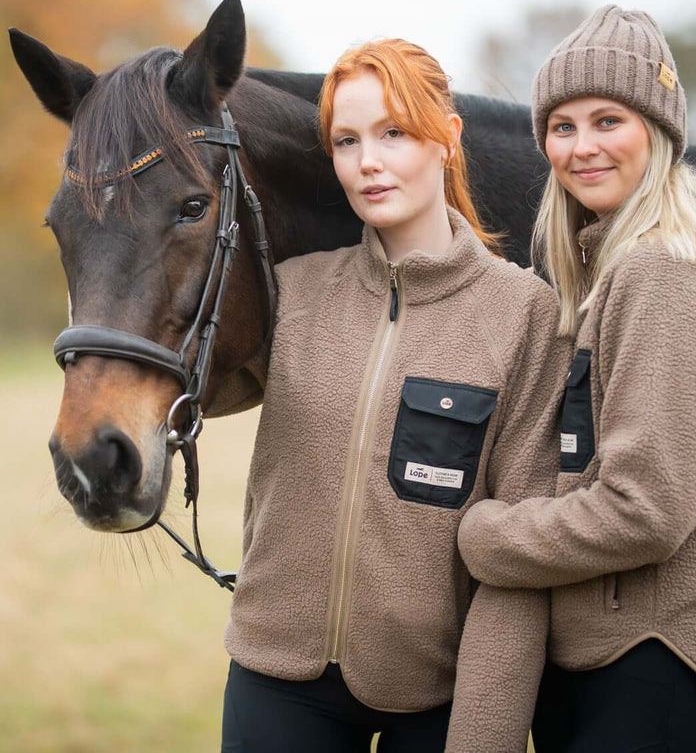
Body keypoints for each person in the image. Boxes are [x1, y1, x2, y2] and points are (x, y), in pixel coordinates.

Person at [220, 38, 568, 753]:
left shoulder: (525, 313)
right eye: (346, 141)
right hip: (276, 677)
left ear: (447, 136)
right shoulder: (294, 289)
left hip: (437, 698)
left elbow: (524, 546)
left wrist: (486, 732)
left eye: (393, 133)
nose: (367, 161)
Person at [456, 5, 696, 753]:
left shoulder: (661, 272)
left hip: (655, 669)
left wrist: (487, 534)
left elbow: (648, 509)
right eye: (562, 126)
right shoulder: (607, 271)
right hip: (612, 660)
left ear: (657, 133)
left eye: (607, 120)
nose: (581, 146)